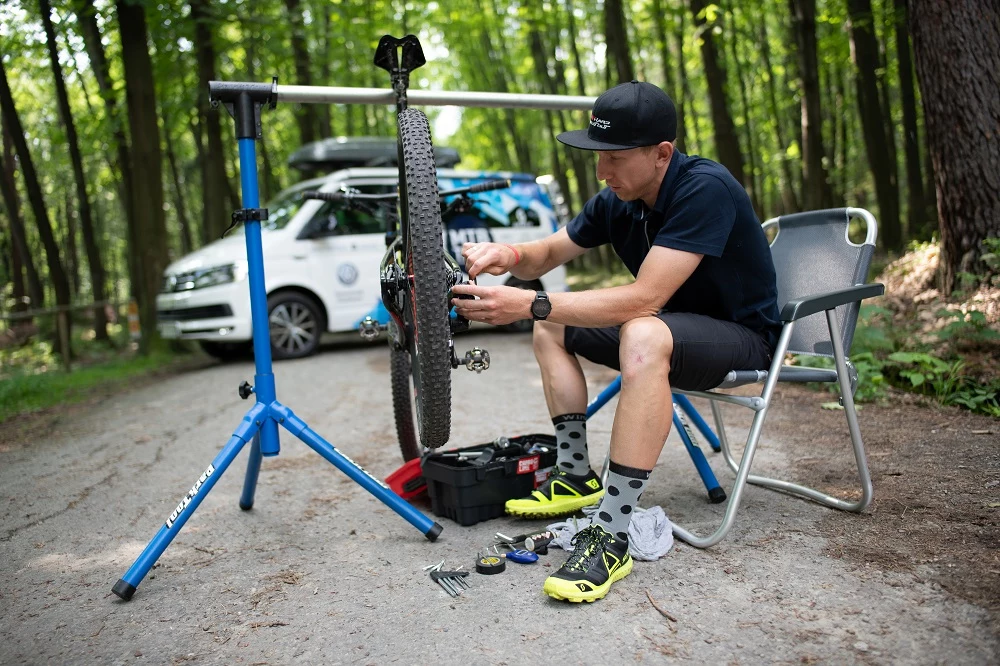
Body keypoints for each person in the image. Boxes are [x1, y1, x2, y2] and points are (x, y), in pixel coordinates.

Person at [451, 80, 780, 603]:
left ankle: (611, 531)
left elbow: (642, 299)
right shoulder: (619, 198)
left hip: (741, 340)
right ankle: (577, 472)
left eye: (615, 159)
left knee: (638, 331)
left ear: (662, 154)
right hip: (668, 327)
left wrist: (529, 301)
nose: (602, 173)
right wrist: (508, 255)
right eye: (598, 156)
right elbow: (546, 253)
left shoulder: (703, 189)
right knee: (556, 325)